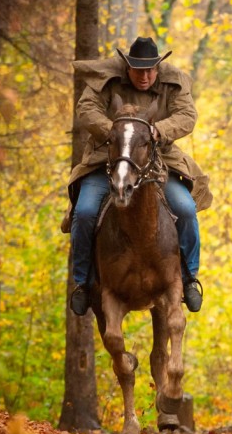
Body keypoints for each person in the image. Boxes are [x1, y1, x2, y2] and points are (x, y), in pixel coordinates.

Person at [64, 37, 212, 315]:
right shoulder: (109, 81)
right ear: (127, 67)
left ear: (158, 68)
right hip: (108, 159)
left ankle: (189, 278)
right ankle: (82, 283)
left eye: (149, 70)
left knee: (186, 208)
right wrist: (113, 131)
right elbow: (86, 108)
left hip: (158, 161)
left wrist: (159, 131)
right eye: (138, 70)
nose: (144, 76)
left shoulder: (174, 83)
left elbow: (187, 115)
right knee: (83, 212)